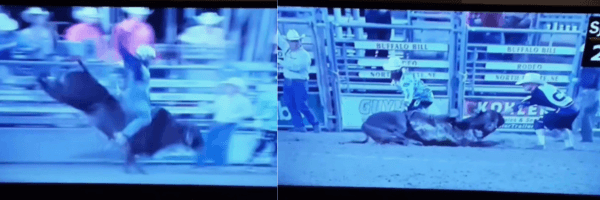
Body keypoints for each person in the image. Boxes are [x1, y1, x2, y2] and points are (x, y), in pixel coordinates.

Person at [503, 73, 579, 150]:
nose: (523, 86)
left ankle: (542, 144)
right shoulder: (548, 87)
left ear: (532, 83)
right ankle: (569, 145)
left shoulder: (536, 94)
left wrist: (501, 114)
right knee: (561, 125)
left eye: (524, 84)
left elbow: (516, 107)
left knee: (539, 123)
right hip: (573, 109)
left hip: (563, 111)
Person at [196, 77, 254, 167]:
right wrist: (205, 106)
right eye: (227, 86)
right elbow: (215, 108)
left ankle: (220, 164)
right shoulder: (222, 98)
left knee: (221, 143)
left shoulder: (243, 100)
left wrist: (235, 117)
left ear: (237, 88)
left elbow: (249, 113)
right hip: (217, 122)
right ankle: (200, 163)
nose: (227, 88)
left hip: (229, 124)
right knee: (207, 142)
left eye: (230, 86)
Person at [112, 45, 155, 148]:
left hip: (127, 99)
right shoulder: (141, 69)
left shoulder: (132, 66)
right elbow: (140, 88)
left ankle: (129, 145)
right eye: (150, 58)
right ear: (145, 57)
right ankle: (123, 136)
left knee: (135, 121)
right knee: (145, 118)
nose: (151, 61)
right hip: (135, 100)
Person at [278, 29, 320, 133]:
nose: (296, 43)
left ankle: (315, 123)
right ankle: (299, 126)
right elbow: (278, 38)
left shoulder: (305, 55)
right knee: (290, 104)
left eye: (297, 41)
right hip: (289, 82)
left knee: (301, 105)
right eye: (293, 41)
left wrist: (280, 62)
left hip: (300, 83)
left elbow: (295, 67)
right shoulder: (287, 49)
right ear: (289, 42)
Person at [246, 74, 278, 168]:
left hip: (273, 125)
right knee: (263, 143)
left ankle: (273, 161)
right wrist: (261, 117)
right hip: (268, 125)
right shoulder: (265, 96)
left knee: (275, 145)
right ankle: (251, 160)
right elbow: (259, 111)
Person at [573, 67, 600, 143]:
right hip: (591, 91)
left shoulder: (590, 69)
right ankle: (586, 137)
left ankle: (569, 134)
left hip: (589, 91)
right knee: (586, 115)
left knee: (583, 114)